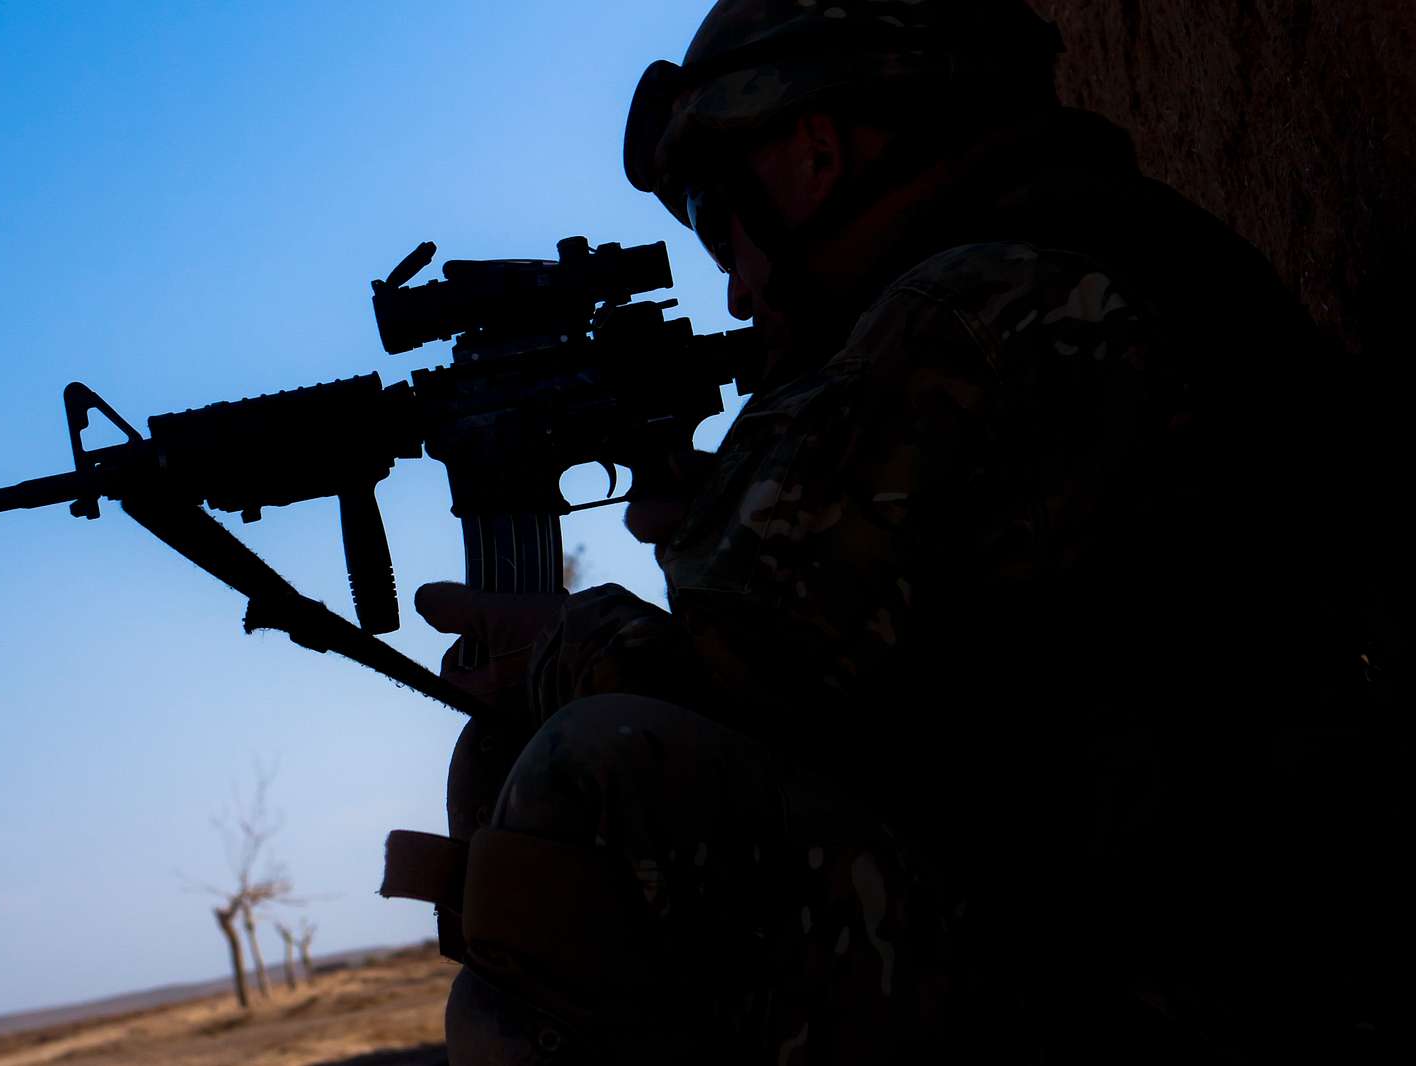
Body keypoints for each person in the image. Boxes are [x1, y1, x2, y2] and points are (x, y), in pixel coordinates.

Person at [399, 1, 1384, 1061]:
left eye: (718, 218)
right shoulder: (1088, 245)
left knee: (589, 771)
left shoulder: (968, 305)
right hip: (1169, 907)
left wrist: (556, 639)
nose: (732, 284)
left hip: (1191, 979)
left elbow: (741, 671)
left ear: (815, 152)